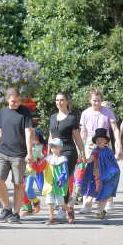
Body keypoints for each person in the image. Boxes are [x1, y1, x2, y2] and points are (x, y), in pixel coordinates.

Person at [0, 88, 34, 224]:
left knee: (18, 183)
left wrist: (29, 153)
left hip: (18, 154)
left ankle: (16, 213)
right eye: (13, 101)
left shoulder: (25, 112)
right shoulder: (3, 112)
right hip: (2, 152)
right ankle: (6, 209)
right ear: (7, 100)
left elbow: (29, 133)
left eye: (18, 101)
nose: (16, 103)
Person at [79, 87, 122, 214]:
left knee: (107, 173)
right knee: (89, 173)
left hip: (105, 145)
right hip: (90, 146)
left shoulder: (107, 112)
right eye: (94, 101)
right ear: (90, 100)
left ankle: (108, 200)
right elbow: (83, 133)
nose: (96, 103)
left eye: (98, 100)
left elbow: (115, 129)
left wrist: (118, 144)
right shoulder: (85, 113)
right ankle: (87, 203)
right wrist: (80, 149)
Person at [48, 92, 86, 220]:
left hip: (68, 152)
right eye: (57, 100)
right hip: (55, 153)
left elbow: (77, 138)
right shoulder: (52, 117)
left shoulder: (71, 118)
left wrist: (82, 152)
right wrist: (48, 153)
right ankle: (68, 208)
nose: (59, 102)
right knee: (55, 180)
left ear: (67, 101)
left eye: (62, 100)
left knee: (62, 179)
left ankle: (62, 210)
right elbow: (51, 136)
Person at [81, 128, 120, 219]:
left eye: (101, 139)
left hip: (109, 175)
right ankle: (100, 209)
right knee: (100, 192)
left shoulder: (109, 152)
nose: (99, 141)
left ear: (105, 141)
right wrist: (82, 160)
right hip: (98, 176)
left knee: (106, 192)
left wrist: (114, 172)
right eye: (97, 139)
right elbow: (89, 160)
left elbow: (113, 164)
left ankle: (100, 209)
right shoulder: (95, 151)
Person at [42, 138, 75, 225]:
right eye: (52, 146)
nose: (53, 147)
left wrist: (61, 179)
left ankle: (69, 210)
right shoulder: (47, 158)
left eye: (55, 146)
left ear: (61, 147)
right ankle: (51, 217)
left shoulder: (63, 159)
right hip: (49, 183)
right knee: (49, 201)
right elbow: (41, 167)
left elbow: (64, 172)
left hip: (59, 184)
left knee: (60, 202)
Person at [21, 128, 47, 216]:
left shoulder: (38, 148)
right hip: (22, 170)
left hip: (33, 170)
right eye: (31, 137)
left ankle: (36, 202)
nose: (33, 138)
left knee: (33, 188)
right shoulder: (23, 146)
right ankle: (27, 207)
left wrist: (38, 164)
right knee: (22, 189)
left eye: (35, 136)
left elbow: (43, 157)